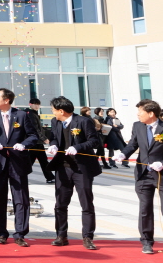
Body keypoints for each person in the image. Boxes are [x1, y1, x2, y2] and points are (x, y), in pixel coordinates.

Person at [0, 88, 39, 247]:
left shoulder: (21, 115)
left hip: (18, 162)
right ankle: (1, 233)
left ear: (6, 100)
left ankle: (20, 234)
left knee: (21, 198)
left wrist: (24, 144)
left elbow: (33, 136)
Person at [47, 96, 101, 250]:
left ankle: (87, 237)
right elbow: (54, 137)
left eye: (53, 110)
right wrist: (53, 145)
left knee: (86, 203)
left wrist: (77, 147)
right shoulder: (55, 121)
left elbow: (94, 141)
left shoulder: (83, 121)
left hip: (81, 168)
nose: (53, 113)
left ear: (61, 111)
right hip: (63, 167)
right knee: (60, 203)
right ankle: (61, 235)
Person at [113, 99, 163, 254]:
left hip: (161, 174)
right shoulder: (138, 126)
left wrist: (162, 163)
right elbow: (132, 145)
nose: (138, 114)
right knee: (145, 209)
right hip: (143, 175)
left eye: (140, 112)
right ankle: (146, 242)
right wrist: (123, 154)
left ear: (151, 113)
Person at [26, 98, 55, 184]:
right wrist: (44, 138)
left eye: (38, 104)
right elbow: (35, 128)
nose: (37, 106)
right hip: (34, 141)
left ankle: (49, 177)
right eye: (35, 104)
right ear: (30, 104)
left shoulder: (34, 114)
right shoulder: (30, 114)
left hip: (38, 141)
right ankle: (20, 176)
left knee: (43, 160)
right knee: (30, 160)